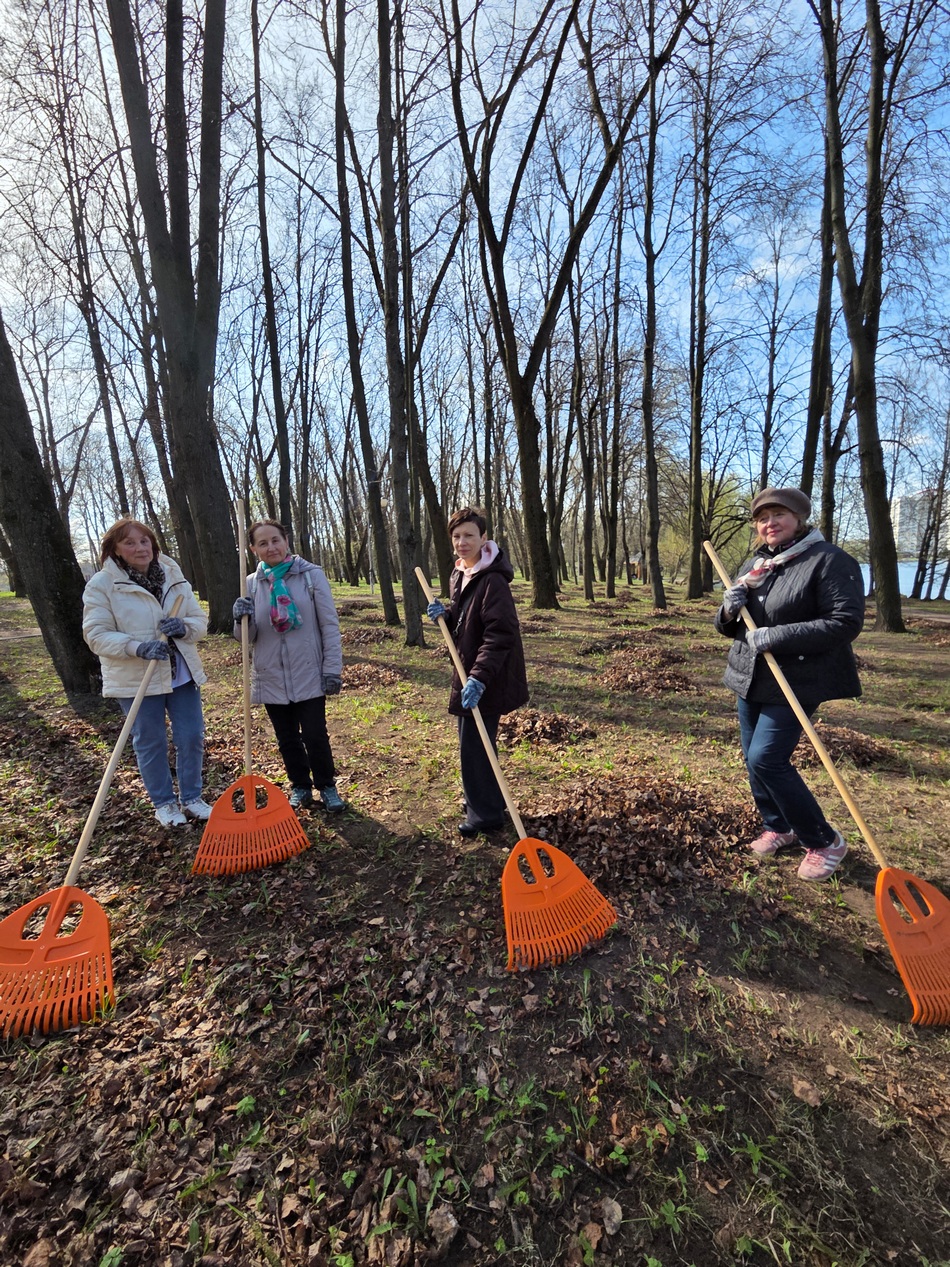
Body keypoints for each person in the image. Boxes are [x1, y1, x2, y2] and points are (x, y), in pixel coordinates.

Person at [715, 487, 865, 881]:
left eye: (778, 515)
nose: (770, 523)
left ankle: (824, 840)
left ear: (799, 518)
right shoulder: (757, 565)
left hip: (797, 679)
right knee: (753, 759)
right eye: (762, 518)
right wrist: (729, 609)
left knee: (767, 758)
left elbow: (844, 622)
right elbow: (731, 628)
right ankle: (778, 826)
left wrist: (776, 636)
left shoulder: (829, 560)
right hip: (750, 676)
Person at [82, 519, 211, 828]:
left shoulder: (172, 575)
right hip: (136, 678)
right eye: (129, 543)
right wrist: (136, 647)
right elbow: (95, 634)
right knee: (150, 741)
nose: (140, 548)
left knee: (191, 736)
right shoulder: (103, 584)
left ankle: (192, 798)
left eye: (144, 541)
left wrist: (184, 627)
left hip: (180, 673)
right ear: (115, 549)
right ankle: (164, 804)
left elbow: (198, 620)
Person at [426, 507, 529, 837]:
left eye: (469, 535)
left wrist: (479, 678)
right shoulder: (461, 573)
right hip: (468, 668)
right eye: (456, 536)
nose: (462, 542)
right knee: (475, 742)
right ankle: (487, 801)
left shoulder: (493, 580)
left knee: (475, 745)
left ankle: (484, 815)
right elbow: (466, 617)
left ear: (484, 538)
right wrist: (446, 613)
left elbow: (500, 633)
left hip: (487, 674)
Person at [232, 520, 345, 813]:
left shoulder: (310, 576)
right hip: (271, 673)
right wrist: (240, 619)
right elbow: (246, 639)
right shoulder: (250, 584)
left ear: (286, 541)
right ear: (253, 549)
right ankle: (300, 786)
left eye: (275, 540)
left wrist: (332, 669)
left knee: (315, 735)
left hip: (308, 670)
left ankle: (327, 786)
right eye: (263, 543)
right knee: (287, 738)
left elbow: (329, 625)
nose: (271, 547)